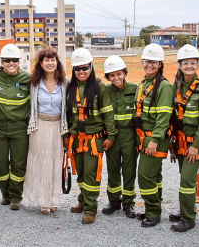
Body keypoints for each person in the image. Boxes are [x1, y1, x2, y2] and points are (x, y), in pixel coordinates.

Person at [66, 48, 117, 224]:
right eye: (77, 69)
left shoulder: (99, 87)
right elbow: (67, 115)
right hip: (76, 139)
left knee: (91, 175)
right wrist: (67, 136)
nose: (81, 72)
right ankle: (82, 200)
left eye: (85, 68)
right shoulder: (71, 88)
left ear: (91, 67)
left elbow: (108, 113)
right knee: (80, 173)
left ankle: (90, 209)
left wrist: (111, 136)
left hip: (94, 140)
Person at [168, 44, 199, 232]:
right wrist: (172, 142)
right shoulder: (176, 86)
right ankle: (186, 210)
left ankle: (188, 219)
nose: (189, 66)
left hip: (194, 143)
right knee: (184, 178)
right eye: (185, 63)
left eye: (192, 63)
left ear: (197, 65)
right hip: (179, 142)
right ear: (179, 65)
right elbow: (172, 116)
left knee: (187, 180)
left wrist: (196, 145)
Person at [24, 48, 69, 215]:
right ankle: (43, 201)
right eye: (46, 60)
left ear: (57, 63)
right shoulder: (34, 83)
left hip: (58, 127)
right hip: (39, 127)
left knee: (55, 163)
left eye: (53, 60)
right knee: (41, 163)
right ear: (41, 64)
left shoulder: (65, 82)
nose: (50, 63)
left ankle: (53, 200)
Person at [0, 43, 31, 210]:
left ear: (19, 61)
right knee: (0, 164)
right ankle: (4, 194)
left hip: (20, 127)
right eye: (7, 60)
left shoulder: (26, 78)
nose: (11, 63)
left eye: (14, 60)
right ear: (2, 62)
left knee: (19, 163)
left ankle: (15, 197)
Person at [134, 43, 173, 227]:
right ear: (142, 62)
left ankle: (153, 212)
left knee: (145, 175)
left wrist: (155, 140)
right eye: (147, 61)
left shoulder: (164, 86)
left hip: (155, 139)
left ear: (160, 64)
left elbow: (164, 117)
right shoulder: (143, 84)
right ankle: (153, 208)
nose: (150, 65)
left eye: (154, 62)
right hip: (145, 138)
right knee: (155, 175)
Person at [101, 55, 138, 218]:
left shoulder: (135, 89)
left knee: (129, 171)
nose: (116, 78)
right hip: (112, 136)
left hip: (129, 135)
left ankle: (128, 203)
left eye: (119, 74)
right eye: (112, 75)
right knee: (113, 169)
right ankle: (114, 202)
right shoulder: (105, 90)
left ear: (124, 73)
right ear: (108, 77)